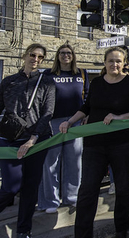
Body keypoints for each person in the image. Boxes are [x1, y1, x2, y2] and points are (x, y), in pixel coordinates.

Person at [60, 46, 129, 238]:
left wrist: (119, 116)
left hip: (123, 144)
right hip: (94, 145)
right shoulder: (96, 84)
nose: (114, 64)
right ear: (104, 63)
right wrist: (69, 121)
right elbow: (86, 107)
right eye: (110, 60)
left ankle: (121, 230)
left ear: (124, 63)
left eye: (118, 61)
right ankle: (83, 233)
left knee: (123, 188)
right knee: (87, 189)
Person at [0, 43, 55, 238]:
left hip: (37, 141)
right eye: (33, 55)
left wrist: (33, 138)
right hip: (10, 140)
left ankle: (23, 230)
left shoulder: (47, 82)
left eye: (41, 57)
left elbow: (48, 112)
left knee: (30, 187)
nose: (36, 59)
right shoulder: (9, 81)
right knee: (10, 186)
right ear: (25, 56)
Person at [38, 44, 88, 213]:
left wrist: (85, 115)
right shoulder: (48, 74)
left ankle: (72, 197)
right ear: (57, 56)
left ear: (73, 56)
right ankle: (50, 201)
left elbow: (86, 96)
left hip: (75, 121)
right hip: (53, 122)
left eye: (68, 53)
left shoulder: (81, 73)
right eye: (62, 53)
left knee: (74, 161)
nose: (65, 55)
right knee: (51, 162)